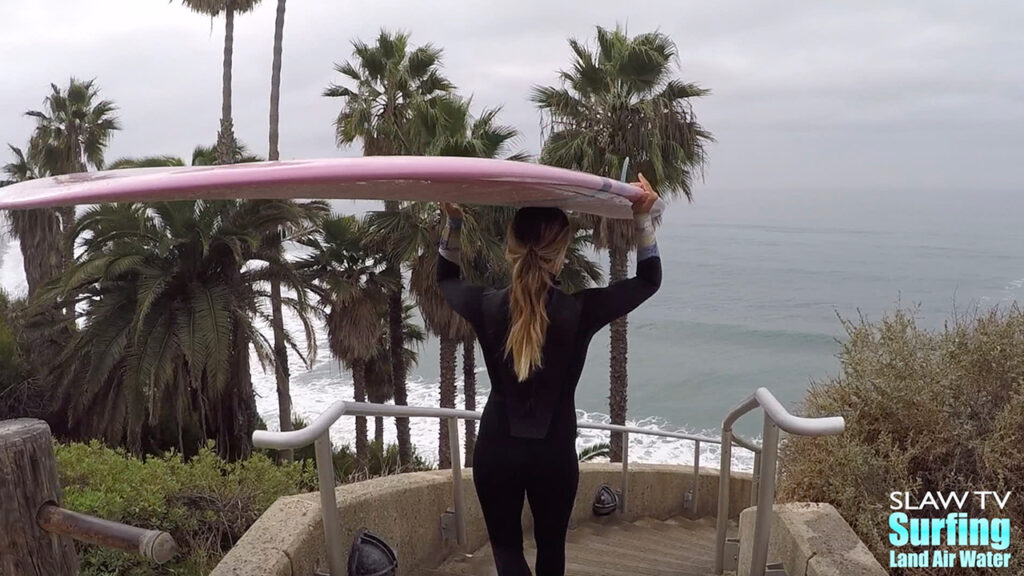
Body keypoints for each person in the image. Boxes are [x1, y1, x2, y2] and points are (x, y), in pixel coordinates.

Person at [436, 174, 662, 576]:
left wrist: (454, 223)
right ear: (561, 255)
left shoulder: (485, 306)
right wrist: (641, 218)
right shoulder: (579, 311)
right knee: (551, 553)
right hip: (554, 452)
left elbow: (446, 279)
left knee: (506, 553)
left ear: (510, 248)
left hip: (496, 449)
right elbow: (648, 280)